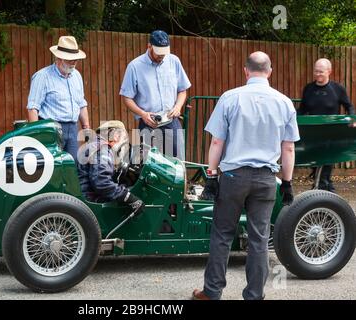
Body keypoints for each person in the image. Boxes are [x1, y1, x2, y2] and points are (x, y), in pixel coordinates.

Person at [193, 52, 300, 300]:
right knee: (259, 239)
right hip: (265, 180)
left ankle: (212, 292)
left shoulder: (230, 98)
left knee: (222, 234)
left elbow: (217, 141)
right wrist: (287, 182)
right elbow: (288, 148)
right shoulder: (284, 103)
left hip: (233, 178)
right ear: (270, 71)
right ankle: (254, 295)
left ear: (245, 71)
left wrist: (211, 175)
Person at [119, 30, 191, 159]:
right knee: (145, 166)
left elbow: (182, 90)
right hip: (148, 123)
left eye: (164, 53)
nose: (162, 56)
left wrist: (178, 106)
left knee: (178, 166)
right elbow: (127, 97)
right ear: (149, 46)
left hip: (171, 121)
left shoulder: (174, 61)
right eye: (159, 53)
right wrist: (142, 114)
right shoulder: (134, 66)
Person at [27, 36, 90, 161]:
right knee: (53, 167)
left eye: (76, 60)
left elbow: (81, 104)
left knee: (72, 167)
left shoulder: (77, 76)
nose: (74, 63)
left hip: (72, 129)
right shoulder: (42, 76)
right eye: (70, 60)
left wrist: (86, 128)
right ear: (59, 58)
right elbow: (33, 108)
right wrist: (38, 136)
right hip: (51, 129)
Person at [297, 58, 355, 192]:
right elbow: (303, 109)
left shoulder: (337, 89)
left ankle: (322, 190)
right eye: (316, 71)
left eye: (321, 72)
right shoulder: (309, 89)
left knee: (326, 165)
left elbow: (349, 106)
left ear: (329, 71)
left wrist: (352, 119)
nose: (318, 74)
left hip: (331, 135)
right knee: (316, 164)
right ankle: (325, 190)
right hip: (313, 136)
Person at [77, 120, 144, 214]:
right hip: (90, 202)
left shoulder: (93, 145)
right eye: (124, 139)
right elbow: (101, 181)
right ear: (116, 135)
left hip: (84, 197)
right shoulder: (103, 149)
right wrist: (128, 197)